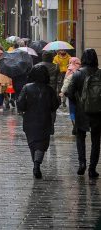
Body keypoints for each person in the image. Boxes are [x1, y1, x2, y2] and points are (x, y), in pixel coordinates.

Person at [17, 65, 60, 179]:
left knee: (33, 143)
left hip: (29, 120)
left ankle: (35, 164)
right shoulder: (49, 89)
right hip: (45, 120)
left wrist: (25, 108)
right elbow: (54, 105)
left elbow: (20, 104)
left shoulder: (26, 88)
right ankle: (37, 164)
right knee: (42, 144)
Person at [67, 48, 101, 178]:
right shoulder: (100, 73)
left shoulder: (77, 74)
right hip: (97, 112)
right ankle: (92, 169)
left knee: (80, 137)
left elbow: (70, 94)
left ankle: (82, 163)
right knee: (96, 140)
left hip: (82, 112)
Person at [38, 51, 60, 134]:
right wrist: (59, 92)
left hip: (40, 91)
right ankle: (51, 125)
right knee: (52, 109)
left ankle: (43, 125)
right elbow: (59, 81)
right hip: (52, 91)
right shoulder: (56, 67)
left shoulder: (38, 66)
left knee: (41, 108)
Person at [61, 57, 81, 135]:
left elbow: (66, 81)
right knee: (79, 109)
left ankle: (74, 125)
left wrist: (63, 91)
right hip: (79, 93)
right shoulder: (80, 69)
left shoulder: (69, 69)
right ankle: (78, 125)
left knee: (72, 109)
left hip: (71, 93)